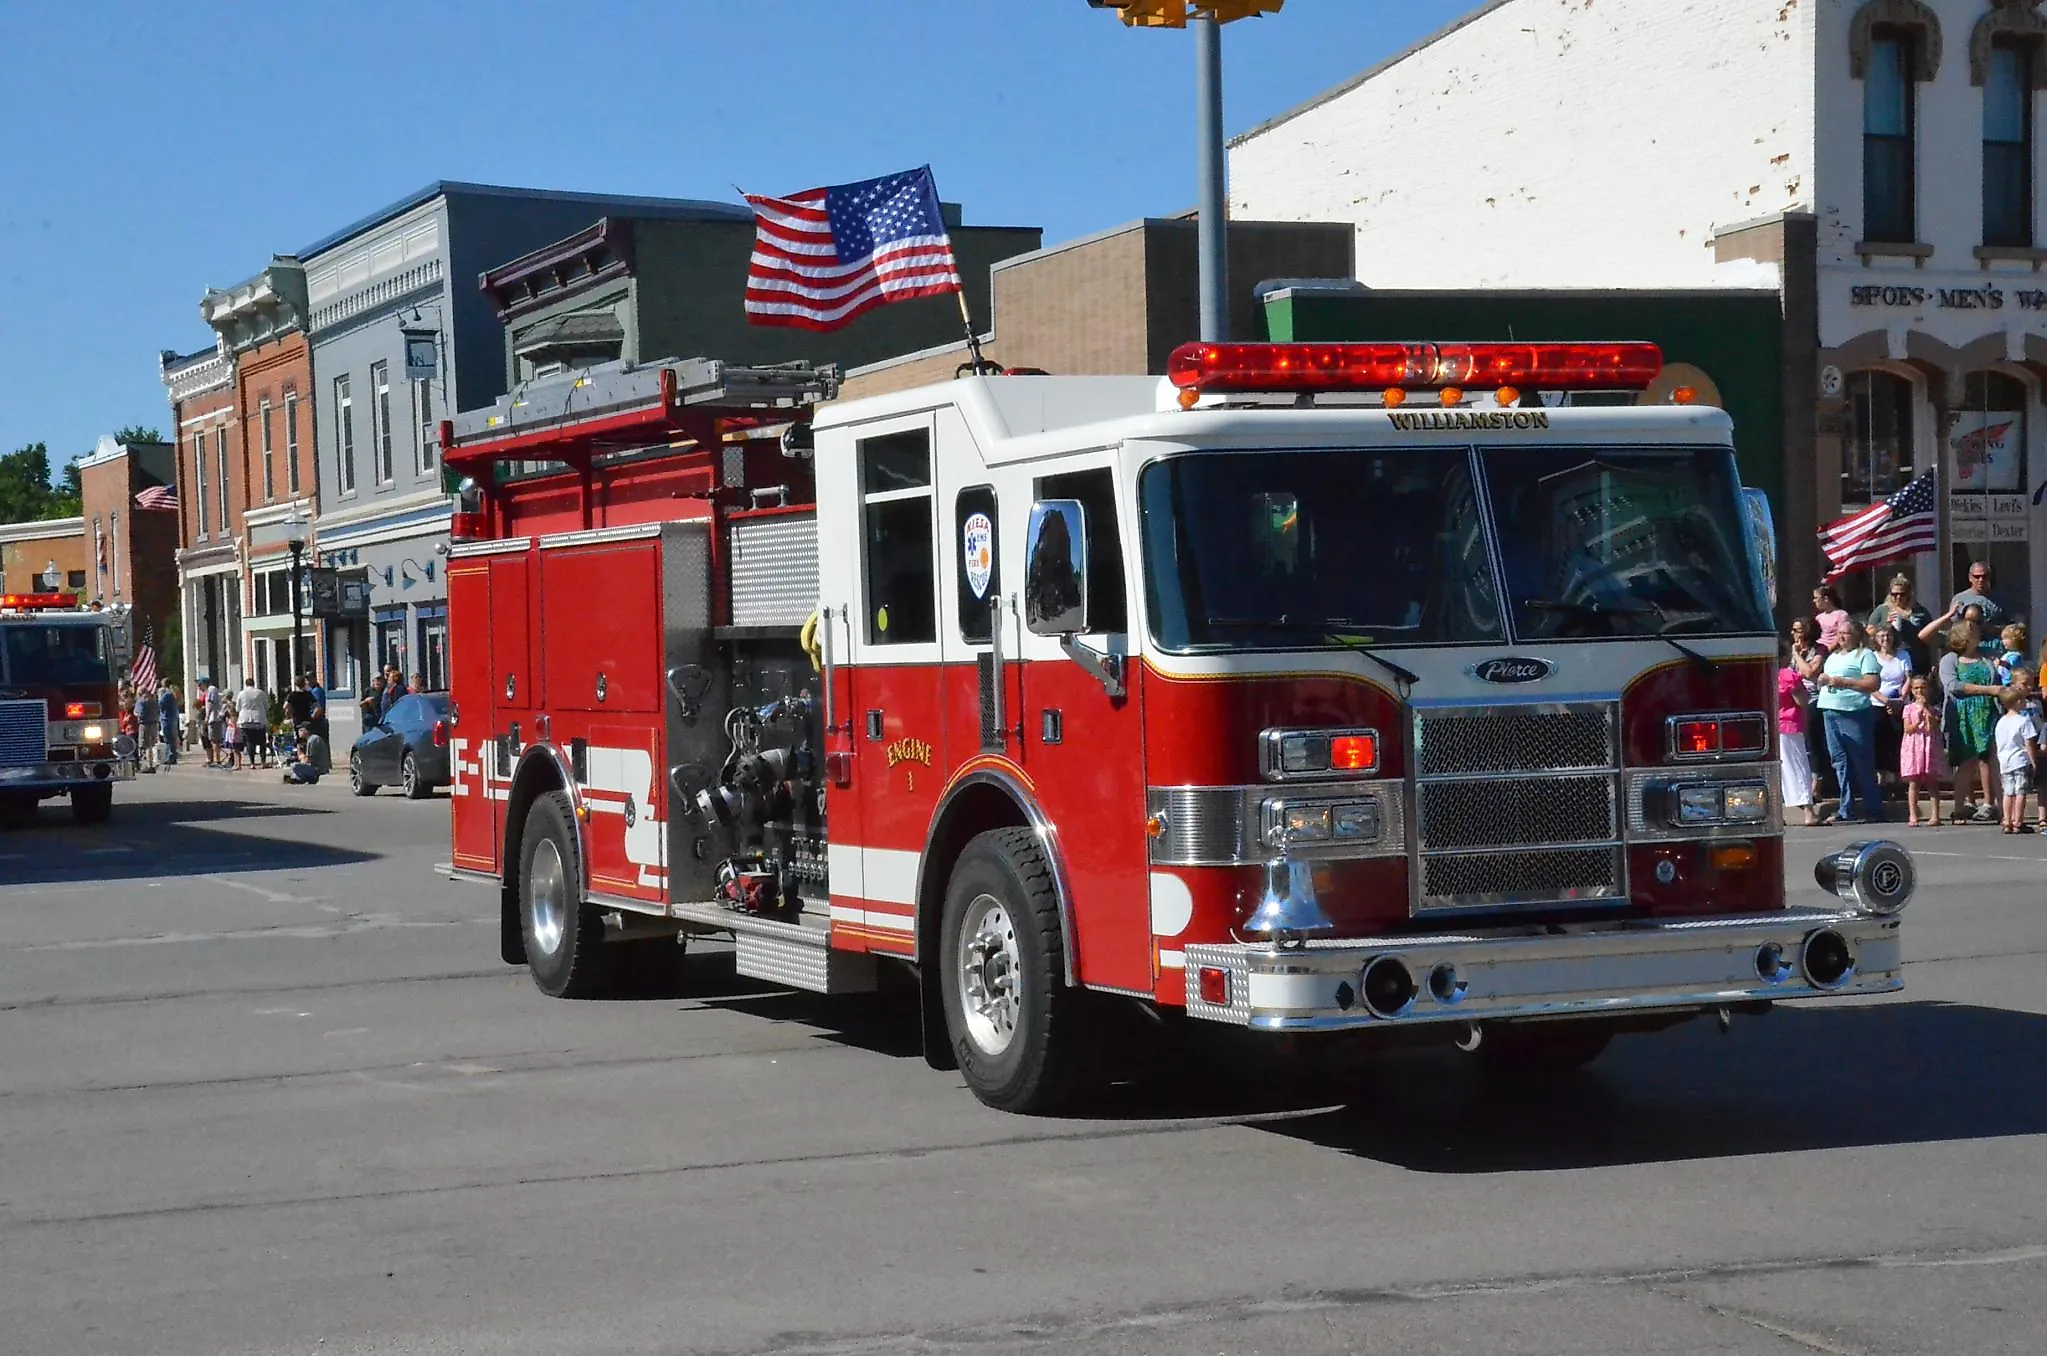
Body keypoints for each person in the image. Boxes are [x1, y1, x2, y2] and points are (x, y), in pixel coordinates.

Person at [1816, 618, 1884, 823]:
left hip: (1853, 713)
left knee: (1862, 759)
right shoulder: (1833, 657)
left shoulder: (1865, 655)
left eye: (1845, 633)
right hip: (1830, 711)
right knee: (1839, 761)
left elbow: (1872, 683)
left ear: (1855, 635)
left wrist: (1843, 682)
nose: (1841, 637)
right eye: (1839, 633)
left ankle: (1873, 807)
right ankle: (1846, 808)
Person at [1940, 620, 2002, 823]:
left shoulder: (1988, 655)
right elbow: (1953, 686)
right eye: (1973, 630)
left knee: (1992, 760)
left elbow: (2001, 676)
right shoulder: (1950, 659)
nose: (1978, 632)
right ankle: (1959, 808)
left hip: (1988, 712)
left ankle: (2002, 808)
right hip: (1962, 715)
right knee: (1966, 762)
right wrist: (1987, 690)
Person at [1789, 617, 1833, 803]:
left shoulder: (1819, 649)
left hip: (1813, 699)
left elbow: (1809, 672)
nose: (1794, 633)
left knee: (1812, 744)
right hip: (1793, 700)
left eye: (1797, 630)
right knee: (1798, 745)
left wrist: (1796, 654)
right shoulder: (1792, 650)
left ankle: (1817, 784)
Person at [1778, 640, 1819, 827]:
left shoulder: (1765, 674)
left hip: (1772, 727)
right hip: (1790, 725)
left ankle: (1777, 813)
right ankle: (1809, 813)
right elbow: (1801, 700)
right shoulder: (1788, 675)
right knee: (1798, 767)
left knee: (1777, 771)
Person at [1993, 688, 2042, 834]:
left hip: (2005, 761)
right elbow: (2028, 743)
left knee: (2008, 792)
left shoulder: (2001, 722)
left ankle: (2007, 820)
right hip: (2019, 760)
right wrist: (2033, 761)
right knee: (2020, 792)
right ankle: (2018, 821)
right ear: (2017, 702)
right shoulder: (2023, 721)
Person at [1900, 674, 1944, 828]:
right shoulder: (1908, 708)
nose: (1920, 691)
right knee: (1914, 783)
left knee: (1932, 782)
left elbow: (1934, 726)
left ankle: (1935, 815)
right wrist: (1918, 719)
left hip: (1929, 745)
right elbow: (1908, 729)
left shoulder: (1934, 709)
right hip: (1914, 746)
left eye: (1923, 687)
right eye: (1916, 688)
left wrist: (1927, 711)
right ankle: (1913, 814)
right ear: (1912, 690)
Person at [1866, 572, 1932, 672]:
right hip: (1892, 660)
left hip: (1916, 659)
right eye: (1894, 594)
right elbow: (1868, 632)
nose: (1898, 597)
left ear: (1909, 594)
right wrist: (1885, 622)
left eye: (1902, 594)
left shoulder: (1920, 611)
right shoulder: (1882, 610)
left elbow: (1930, 633)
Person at [1871, 623, 1911, 784]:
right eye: (1881, 636)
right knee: (1879, 742)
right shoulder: (1871, 656)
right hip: (1876, 704)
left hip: (1899, 704)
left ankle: (1896, 777)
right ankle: (1881, 779)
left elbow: (1908, 678)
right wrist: (1885, 700)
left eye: (1888, 635)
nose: (1885, 639)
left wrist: (1900, 700)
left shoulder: (1903, 655)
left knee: (1897, 741)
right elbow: (1868, 682)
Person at [1948, 560, 2005, 631]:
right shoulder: (1959, 599)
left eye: (1984, 576)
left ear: (1989, 577)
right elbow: (1955, 627)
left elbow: (2009, 626)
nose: (1981, 580)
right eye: (1977, 577)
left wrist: (1991, 628)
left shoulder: (2000, 599)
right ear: (1970, 578)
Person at [235, 678, 269, 769]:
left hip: (245, 719)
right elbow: (267, 706)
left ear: (246, 684)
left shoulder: (241, 693)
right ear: (254, 683)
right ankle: (263, 762)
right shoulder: (260, 693)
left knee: (250, 741)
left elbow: (237, 708)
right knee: (262, 741)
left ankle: (252, 763)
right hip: (259, 719)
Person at [1811, 584, 1851, 649]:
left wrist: (1828, 650)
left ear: (1826, 599)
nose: (1814, 601)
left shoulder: (1841, 615)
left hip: (1833, 651)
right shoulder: (1818, 618)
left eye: (1816, 598)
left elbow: (1841, 635)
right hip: (1818, 649)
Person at [157, 681, 181, 766]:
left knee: (168, 739)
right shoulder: (171, 694)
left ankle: (171, 756)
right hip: (171, 718)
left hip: (167, 719)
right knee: (171, 738)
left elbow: (160, 705)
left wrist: (159, 695)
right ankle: (171, 756)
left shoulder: (167, 695)